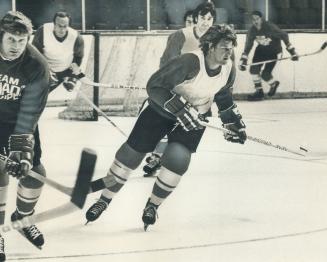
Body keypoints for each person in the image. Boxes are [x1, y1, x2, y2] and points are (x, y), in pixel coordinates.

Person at [85, 25, 246, 231]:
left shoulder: (229, 67)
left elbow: (223, 95)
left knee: (178, 161)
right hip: (162, 111)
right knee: (130, 156)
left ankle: (152, 205)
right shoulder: (190, 62)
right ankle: (104, 200)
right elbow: (154, 86)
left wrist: (232, 122)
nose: (228, 53)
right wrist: (181, 109)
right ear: (210, 46)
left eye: (231, 49)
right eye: (224, 48)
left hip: (196, 117)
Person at [143, 2, 217, 177]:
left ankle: (163, 159)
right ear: (195, 18)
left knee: (186, 132)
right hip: (176, 92)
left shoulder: (214, 39)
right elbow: (167, 64)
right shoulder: (180, 36)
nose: (206, 22)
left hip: (199, 97)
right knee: (166, 124)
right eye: (202, 18)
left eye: (209, 19)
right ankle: (156, 158)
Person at [0, 11, 50, 260]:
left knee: (35, 175)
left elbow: (30, 111)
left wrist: (21, 149)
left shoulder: (36, 66)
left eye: (22, 41)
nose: (16, 47)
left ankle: (22, 217)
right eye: (11, 40)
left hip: (17, 120)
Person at [30, 11, 85, 188]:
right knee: (35, 100)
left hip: (64, 71)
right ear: (53, 24)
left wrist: (73, 77)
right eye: (59, 25)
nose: (62, 29)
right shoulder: (42, 31)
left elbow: (77, 59)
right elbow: (34, 53)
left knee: (69, 85)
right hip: (44, 69)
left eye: (65, 25)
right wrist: (45, 72)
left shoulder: (76, 37)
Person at [238, 10, 299, 101]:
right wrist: (243, 60)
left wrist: (292, 51)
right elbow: (248, 45)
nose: (255, 21)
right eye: (253, 19)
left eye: (257, 19)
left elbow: (284, 35)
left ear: (261, 19)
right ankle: (260, 92)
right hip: (261, 51)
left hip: (273, 51)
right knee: (253, 70)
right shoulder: (252, 30)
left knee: (265, 74)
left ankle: (273, 84)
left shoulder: (269, 27)